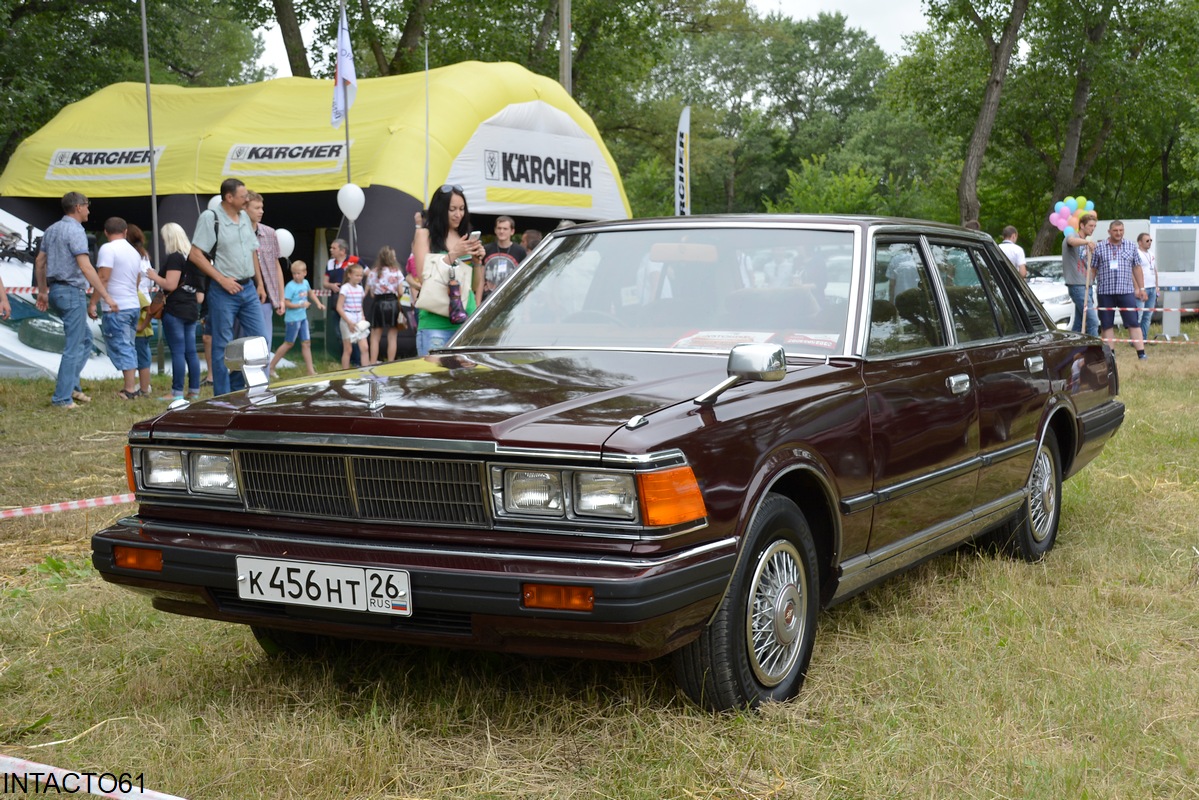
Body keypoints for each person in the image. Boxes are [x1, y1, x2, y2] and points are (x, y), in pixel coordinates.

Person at [34, 192, 117, 409]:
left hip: (55, 292)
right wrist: (105, 295)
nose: (89, 210)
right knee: (74, 346)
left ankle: (72, 386)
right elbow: (86, 266)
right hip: (71, 292)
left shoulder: (51, 229)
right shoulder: (77, 231)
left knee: (85, 339)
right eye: (87, 206)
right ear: (79, 207)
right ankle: (63, 397)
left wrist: (42, 291)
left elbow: (40, 262)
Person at [188, 177, 268, 395]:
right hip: (223, 290)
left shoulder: (244, 217)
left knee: (261, 340)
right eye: (243, 196)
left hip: (248, 288)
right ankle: (222, 397)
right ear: (229, 197)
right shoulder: (211, 217)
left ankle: (256, 390)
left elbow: (252, 251)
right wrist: (222, 279)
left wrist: (259, 284)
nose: (246, 199)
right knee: (222, 345)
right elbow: (195, 255)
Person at [411, 185, 485, 355]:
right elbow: (424, 278)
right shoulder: (424, 235)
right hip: (435, 325)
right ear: (440, 209)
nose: (458, 214)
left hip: (466, 323)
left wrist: (477, 262)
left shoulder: (464, 236)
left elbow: (472, 286)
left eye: (462, 209)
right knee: (435, 380)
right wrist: (453, 255)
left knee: (464, 381)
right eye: (452, 209)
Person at [92, 217, 143, 400]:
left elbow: (103, 278)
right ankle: (130, 386)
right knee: (128, 344)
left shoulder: (108, 249)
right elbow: (138, 279)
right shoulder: (134, 252)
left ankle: (130, 389)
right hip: (132, 304)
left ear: (106, 232)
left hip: (116, 306)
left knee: (122, 346)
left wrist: (93, 302)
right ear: (125, 231)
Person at [154, 222, 203, 401]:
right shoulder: (193, 258)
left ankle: (176, 392)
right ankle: (194, 390)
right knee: (191, 351)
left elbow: (170, 284)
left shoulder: (175, 257)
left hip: (175, 309)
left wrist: (154, 276)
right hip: (191, 308)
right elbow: (199, 293)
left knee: (177, 351)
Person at [1091, 219, 1148, 359]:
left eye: (1121, 230)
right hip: (1105, 292)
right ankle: (1110, 355)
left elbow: (1137, 267)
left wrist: (1141, 288)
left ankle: (1141, 353)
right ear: (1109, 232)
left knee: (1134, 322)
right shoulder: (1100, 247)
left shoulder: (1130, 246)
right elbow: (1093, 268)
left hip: (1126, 291)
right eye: (1115, 231)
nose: (1118, 233)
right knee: (1106, 325)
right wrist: (1088, 285)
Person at [269, 260, 324, 377]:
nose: (296, 276)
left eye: (298, 273)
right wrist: (300, 305)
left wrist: (318, 303)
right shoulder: (290, 286)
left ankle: (310, 371)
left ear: (305, 272)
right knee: (288, 343)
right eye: (294, 273)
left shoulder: (305, 283)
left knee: (306, 343)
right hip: (292, 320)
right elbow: (286, 303)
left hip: (303, 318)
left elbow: (311, 293)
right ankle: (271, 367)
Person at [247, 191, 286, 347]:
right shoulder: (235, 233)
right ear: (245, 208)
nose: (261, 211)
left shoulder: (270, 233)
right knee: (242, 342)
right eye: (256, 208)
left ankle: (264, 371)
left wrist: (281, 298)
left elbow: (276, 266)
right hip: (241, 292)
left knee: (264, 341)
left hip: (265, 298)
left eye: (261, 207)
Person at [127, 223, 157, 397]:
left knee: (141, 351)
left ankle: (144, 387)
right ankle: (144, 384)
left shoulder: (134, 256)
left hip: (140, 301)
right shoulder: (144, 255)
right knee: (141, 351)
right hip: (143, 299)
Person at [366, 245, 407, 363]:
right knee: (392, 336)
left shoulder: (373, 273)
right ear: (391, 258)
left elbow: (372, 294)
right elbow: (400, 292)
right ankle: (390, 362)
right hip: (393, 303)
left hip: (378, 304)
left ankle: (372, 362)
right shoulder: (397, 272)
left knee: (375, 337)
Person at [1063, 212, 1100, 336]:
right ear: (1082, 225)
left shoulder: (1086, 242)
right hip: (1077, 284)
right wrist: (1085, 243)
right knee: (1093, 321)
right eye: (1090, 226)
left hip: (1087, 285)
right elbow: (1072, 241)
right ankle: (1094, 351)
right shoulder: (1072, 235)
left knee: (1079, 324)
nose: (1093, 228)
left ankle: (1072, 351)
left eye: (1094, 226)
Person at [325, 238, 356, 362]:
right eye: (331, 247)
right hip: (335, 301)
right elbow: (324, 282)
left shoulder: (353, 260)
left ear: (342, 251)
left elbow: (366, 273)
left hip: (350, 304)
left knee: (353, 332)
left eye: (334, 248)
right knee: (339, 333)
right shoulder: (330, 263)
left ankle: (356, 360)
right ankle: (343, 358)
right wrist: (331, 286)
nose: (331, 250)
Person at [481, 215, 526, 300]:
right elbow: (481, 278)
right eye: (499, 228)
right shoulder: (486, 249)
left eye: (505, 229)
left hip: (511, 297)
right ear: (495, 230)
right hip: (488, 298)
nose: (501, 231)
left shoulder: (520, 251)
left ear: (512, 231)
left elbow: (523, 279)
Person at [336, 262, 369, 368]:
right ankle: (345, 374)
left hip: (358, 319)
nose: (359, 278)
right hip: (347, 320)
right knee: (348, 349)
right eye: (357, 275)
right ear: (349, 275)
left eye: (361, 276)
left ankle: (365, 372)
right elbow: (339, 307)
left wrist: (362, 317)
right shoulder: (345, 288)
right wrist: (349, 322)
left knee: (364, 347)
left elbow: (360, 305)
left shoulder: (360, 288)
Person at [1136, 232, 1157, 342]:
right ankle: (1135, 339)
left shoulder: (1151, 254)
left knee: (1148, 315)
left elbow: (1154, 270)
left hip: (1152, 288)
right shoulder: (1137, 253)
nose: (1149, 243)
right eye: (1147, 240)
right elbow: (1133, 272)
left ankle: (1143, 338)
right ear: (1140, 242)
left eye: (1150, 240)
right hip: (1142, 288)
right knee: (1139, 315)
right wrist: (1137, 288)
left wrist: (1157, 286)